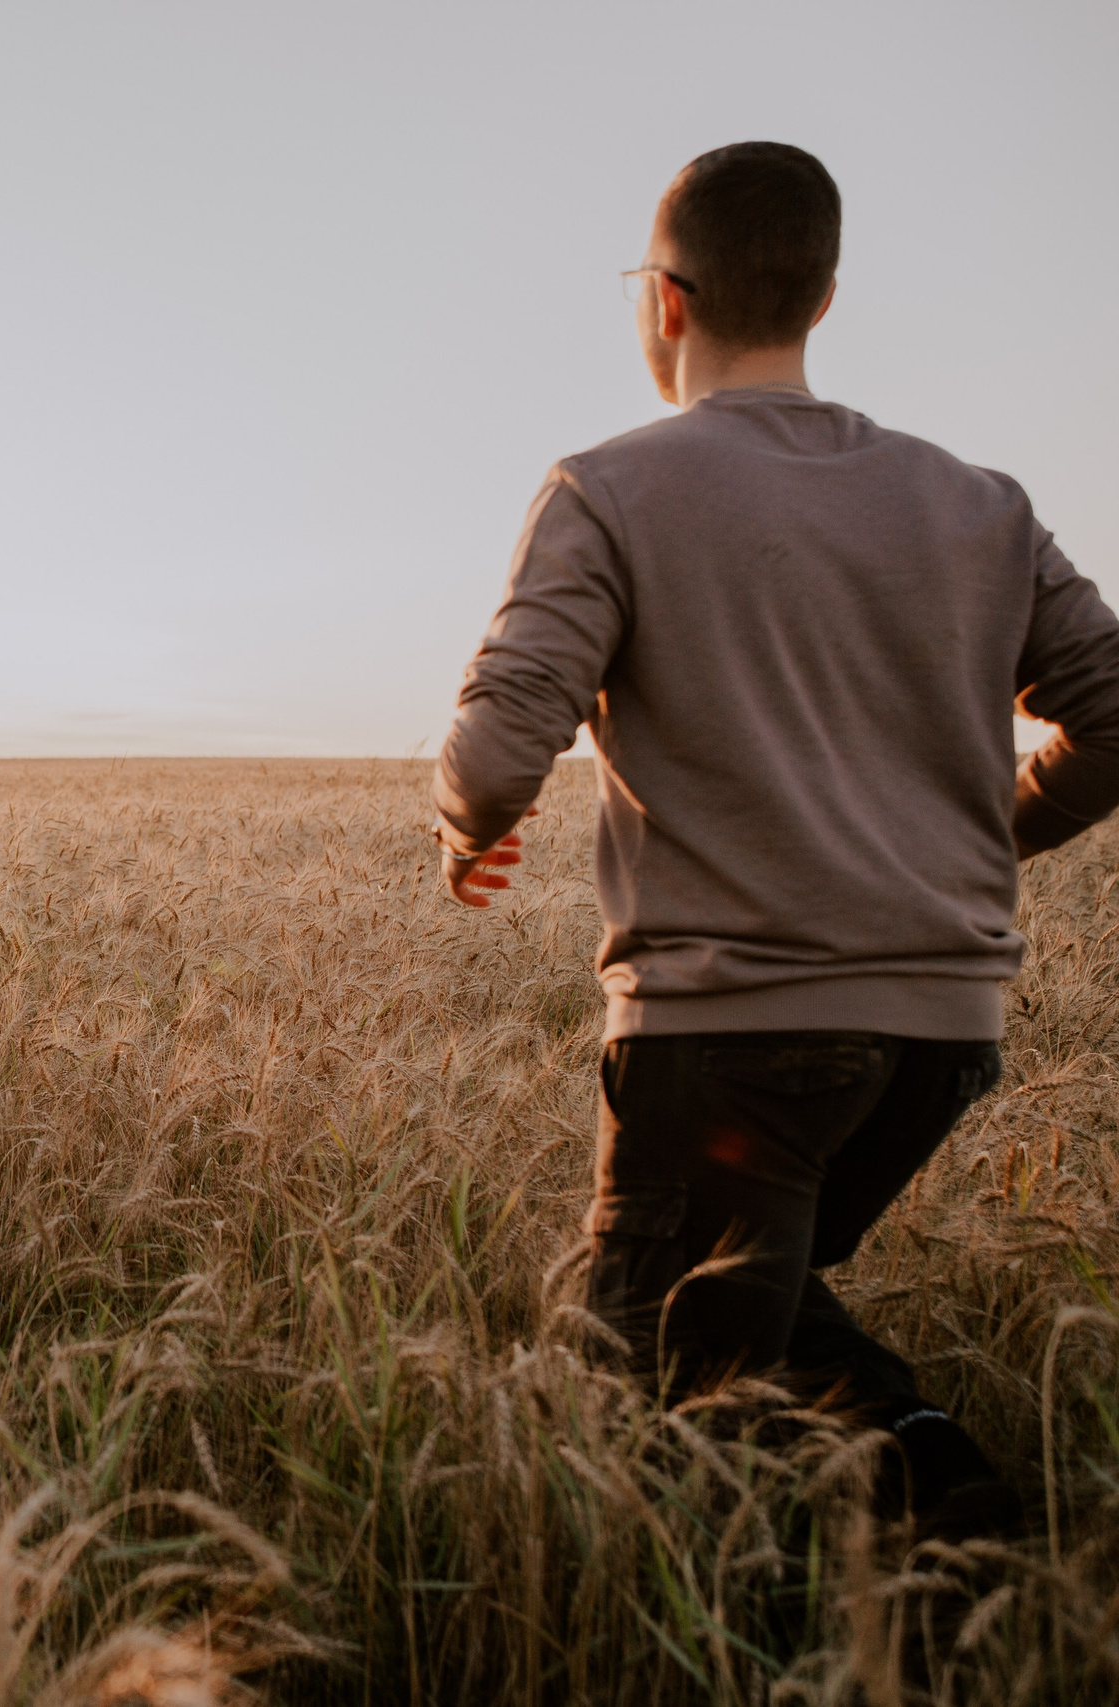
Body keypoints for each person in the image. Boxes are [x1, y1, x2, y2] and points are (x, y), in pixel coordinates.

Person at [433, 141, 1119, 1539]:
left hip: (730, 1030)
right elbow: (1112, 715)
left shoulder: (606, 488)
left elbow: (501, 750)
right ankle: (927, 1523)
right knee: (757, 1301)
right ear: (820, 298)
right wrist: (981, 834)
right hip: (940, 1034)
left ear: (665, 303)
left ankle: (950, 1534)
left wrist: (464, 822)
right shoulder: (979, 501)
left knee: (632, 1375)